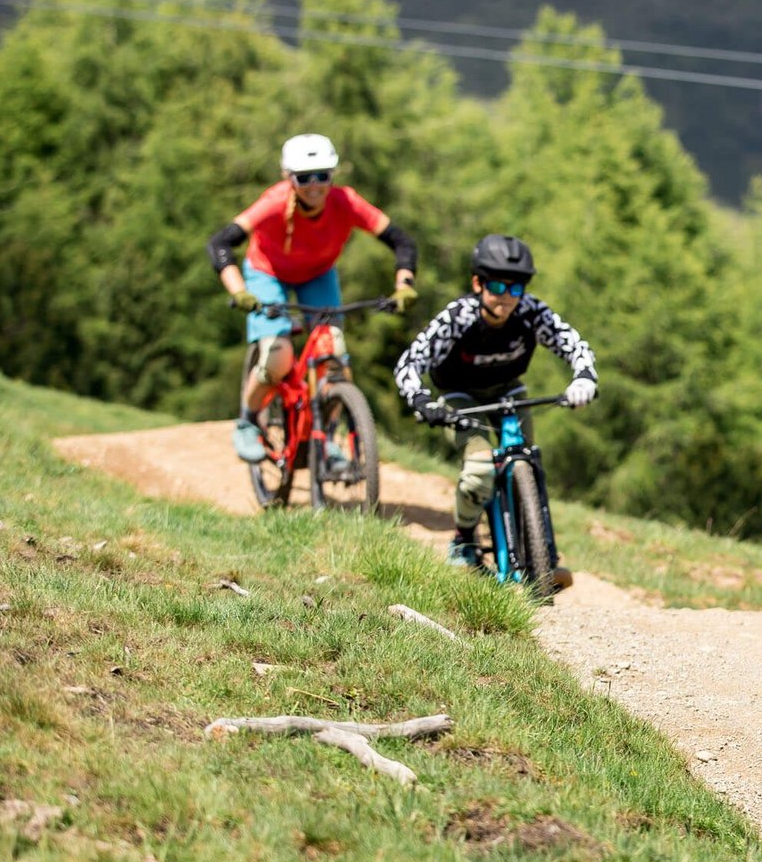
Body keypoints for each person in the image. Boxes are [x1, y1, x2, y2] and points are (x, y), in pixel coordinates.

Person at [393, 234, 597, 580]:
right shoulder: (458, 317)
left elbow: (572, 343)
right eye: (497, 286)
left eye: (515, 289)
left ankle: (543, 552)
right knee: (479, 469)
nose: (506, 298)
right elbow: (408, 365)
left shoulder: (531, 312)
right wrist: (422, 400)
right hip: (461, 397)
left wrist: (584, 378)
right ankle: (464, 541)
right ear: (478, 283)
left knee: (527, 461)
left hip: (508, 391)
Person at [207, 133, 418, 462]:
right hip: (268, 273)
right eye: (305, 178)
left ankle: (326, 436)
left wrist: (404, 284)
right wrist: (239, 291)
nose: (315, 185)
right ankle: (248, 422)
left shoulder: (346, 202)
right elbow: (220, 243)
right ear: (288, 178)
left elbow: (401, 240)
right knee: (277, 355)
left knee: (333, 352)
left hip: (318, 274)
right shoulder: (274, 203)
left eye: (323, 175)